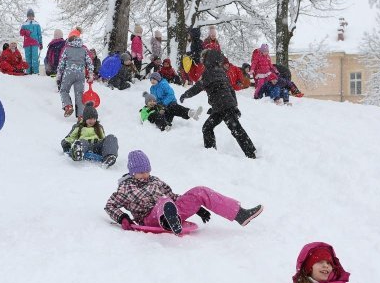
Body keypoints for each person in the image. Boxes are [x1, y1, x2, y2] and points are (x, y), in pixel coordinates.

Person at [105, 150, 263, 235]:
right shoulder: (126, 187)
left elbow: (173, 196)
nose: (145, 175)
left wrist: (198, 207)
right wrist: (123, 218)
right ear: (132, 172)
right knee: (164, 202)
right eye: (141, 172)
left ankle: (240, 214)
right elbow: (110, 205)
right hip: (149, 219)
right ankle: (169, 220)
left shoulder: (155, 181)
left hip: (171, 210)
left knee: (199, 191)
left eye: (147, 171)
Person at [180, 49, 257, 159]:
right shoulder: (221, 71)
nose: (201, 60)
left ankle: (250, 153)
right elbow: (231, 90)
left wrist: (185, 95)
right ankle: (210, 152)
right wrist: (234, 106)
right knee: (208, 128)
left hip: (223, 106)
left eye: (203, 58)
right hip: (221, 107)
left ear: (207, 59)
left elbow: (198, 87)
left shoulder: (208, 73)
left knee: (235, 129)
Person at [60, 103, 118, 167]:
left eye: (94, 119)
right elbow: (70, 137)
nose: (92, 121)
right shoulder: (78, 127)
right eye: (90, 119)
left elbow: (104, 140)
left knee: (111, 137)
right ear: (85, 118)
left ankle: (109, 157)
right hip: (86, 146)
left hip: (97, 147)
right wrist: (66, 143)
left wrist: (108, 144)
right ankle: (77, 152)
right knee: (82, 141)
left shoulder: (99, 127)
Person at [57, 28, 93, 117]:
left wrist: (59, 75)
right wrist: (90, 74)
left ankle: (68, 106)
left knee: (64, 90)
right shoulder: (84, 49)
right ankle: (81, 116)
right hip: (80, 74)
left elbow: (62, 63)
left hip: (69, 73)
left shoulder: (67, 49)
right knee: (79, 95)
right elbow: (89, 62)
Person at [20, 8, 43, 74]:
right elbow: (21, 32)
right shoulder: (24, 24)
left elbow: (39, 34)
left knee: (35, 58)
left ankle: (36, 72)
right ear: (27, 16)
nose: (30, 17)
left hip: (35, 43)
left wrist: (40, 43)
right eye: (29, 15)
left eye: (32, 15)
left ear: (33, 16)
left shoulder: (37, 24)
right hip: (27, 43)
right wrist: (26, 32)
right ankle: (28, 72)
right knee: (28, 58)